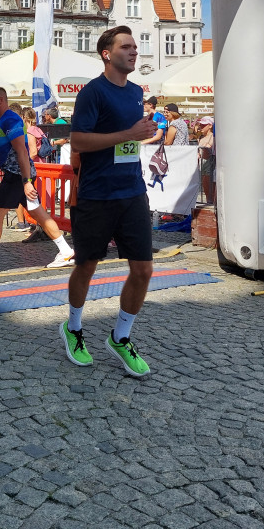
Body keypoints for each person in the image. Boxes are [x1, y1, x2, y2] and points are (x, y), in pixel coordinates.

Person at [61, 26, 158, 376]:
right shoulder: (92, 92)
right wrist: (129, 134)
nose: (134, 52)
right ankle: (72, 328)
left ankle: (120, 337)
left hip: (132, 190)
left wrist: (141, 135)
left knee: (143, 269)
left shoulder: (135, 91)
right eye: (126, 47)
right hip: (97, 194)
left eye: (135, 47)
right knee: (87, 266)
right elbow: (79, 143)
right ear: (106, 53)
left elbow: (129, 141)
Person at [0, 87, 75, 276]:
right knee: (38, 213)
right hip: (18, 175)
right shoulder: (0, 122)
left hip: (17, 175)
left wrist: (26, 180)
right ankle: (66, 251)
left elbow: (22, 151)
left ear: (1, 100)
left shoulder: (11, 120)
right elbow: (1, 153)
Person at [197, 116, 216, 203]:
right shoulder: (202, 138)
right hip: (203, 163)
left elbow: (208, 148)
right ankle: (209, 201)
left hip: (209, 162)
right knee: (205, 184)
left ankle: (211, 201)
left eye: (203, 125)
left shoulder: (213, 137)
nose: (201, 126)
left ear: (210, 126)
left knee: (209, 184)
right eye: (200, 125)